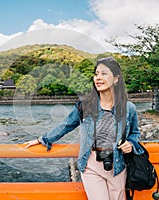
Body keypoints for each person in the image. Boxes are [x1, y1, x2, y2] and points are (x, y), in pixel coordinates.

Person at [24, 57, 144, 200]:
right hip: (91, 164)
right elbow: (66, 125)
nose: (98, 78)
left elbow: (135, 133)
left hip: (118, 164)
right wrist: (42, 139)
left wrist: (130, 143)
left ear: (116, 79)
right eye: (96, 74)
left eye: (104, 73)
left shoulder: (128, 108)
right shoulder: (85, 105)